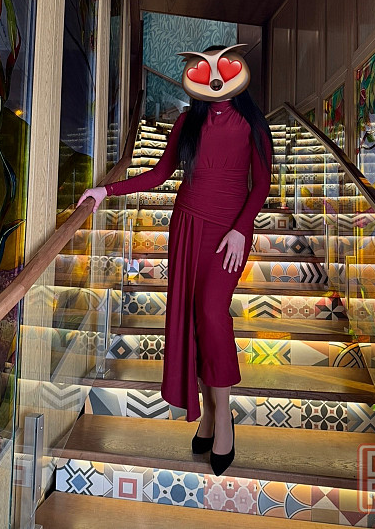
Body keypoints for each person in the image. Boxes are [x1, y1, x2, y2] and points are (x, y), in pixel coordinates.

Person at [77, 44, 273, 476]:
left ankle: (224, 418)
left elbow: (261, 185)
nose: (216, 80)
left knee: (213, 315)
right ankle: (209, 413)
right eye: (206, 71)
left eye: (224, 70)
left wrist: (241, 229)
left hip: (229, 233)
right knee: (195, 321)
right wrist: (106, 190)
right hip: (187, 226)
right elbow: (160, 173)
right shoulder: (187, 122)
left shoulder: (254, 124)